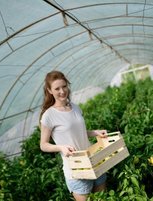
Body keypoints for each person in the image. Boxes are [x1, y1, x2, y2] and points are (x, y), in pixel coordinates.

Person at [39, 70, 107, 201]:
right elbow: (43, 145)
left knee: (103, 199)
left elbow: (78, 133)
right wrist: (61, 147)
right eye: (57, 88)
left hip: (94, 161)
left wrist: (94, 133)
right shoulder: (49, 116)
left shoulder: (75, 107)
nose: (62, 91)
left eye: (64, 86)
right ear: (49, 90)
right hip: (76, 170)